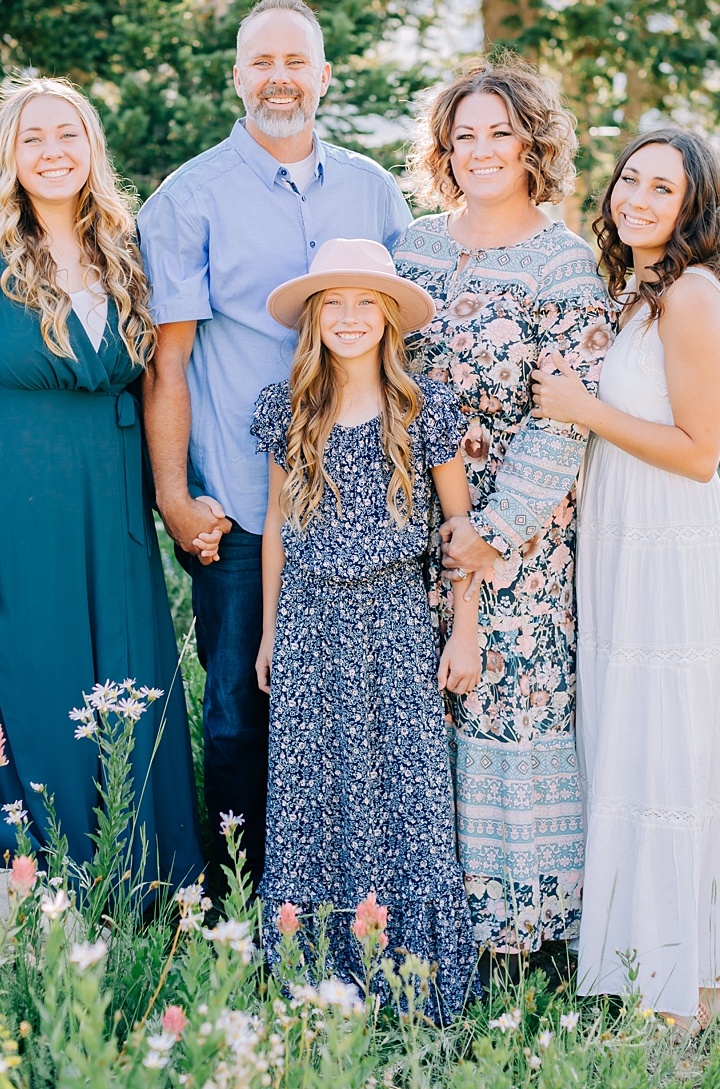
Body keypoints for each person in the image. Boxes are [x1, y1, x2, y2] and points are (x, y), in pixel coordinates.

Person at [531, 127, 720, 1030]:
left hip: (668, 541)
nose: (639, 200)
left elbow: (697, 454)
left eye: (664, 190)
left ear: (694, 209)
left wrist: (582, 408)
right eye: (631, 181)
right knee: (638, 740)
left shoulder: (689, 294)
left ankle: (687, 981)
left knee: (676, 744)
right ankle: (671, 965)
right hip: (620, 537)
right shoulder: (637, 292)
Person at [137, 0, 410, 880]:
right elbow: (167, 365)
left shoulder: (374, 191)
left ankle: (346, 897)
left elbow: (411, 339)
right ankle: (240, 911)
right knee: (240, 712)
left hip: (369, 505)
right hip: (249, 510)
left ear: (324, 76)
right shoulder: (188, 199)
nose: (279, 79)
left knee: (366, 712)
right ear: (237, 76)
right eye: (262, 62)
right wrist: (176, 497)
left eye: (296, 62)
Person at [0, 75, 203, 885]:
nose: (52, 152)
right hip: (14, 515)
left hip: (111, 511)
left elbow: (162, 378)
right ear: (7, 155)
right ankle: (55, 878)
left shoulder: (125, 250)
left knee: (126, 677)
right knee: (41, 684)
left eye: (66, 135)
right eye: (33, 138)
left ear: (91, 149)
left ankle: (148, 882)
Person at [393, 59, 613, 954]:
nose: (481, 150)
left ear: (534, 142)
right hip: (408, 520)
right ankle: (421, 914)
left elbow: (566, 421)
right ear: (444, 150)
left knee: (502, 700)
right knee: (418, 705)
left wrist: (491, 535)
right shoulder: (410, 246)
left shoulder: (562, 264)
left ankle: (515, 932)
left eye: (499, 132)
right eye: (464, 135)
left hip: (513, 530)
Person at [251, 238, 480, 1018]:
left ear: (388, 318)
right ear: (315, 320)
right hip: (311, 623)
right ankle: (317, 981)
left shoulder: (425, 408)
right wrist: (268, 633)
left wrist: (465, 632)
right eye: (334, 305)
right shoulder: (285, 409)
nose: (350, 319)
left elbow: (460, 532)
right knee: (313, 791)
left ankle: (413, 987)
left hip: (396, 623)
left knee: (404, 792)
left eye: (365, 305)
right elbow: (276, 529)